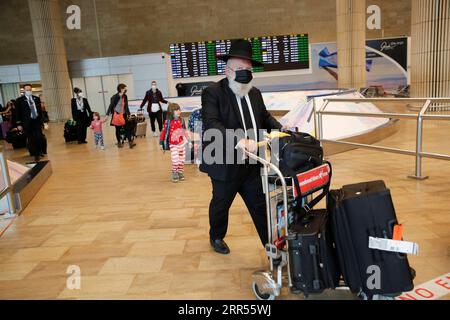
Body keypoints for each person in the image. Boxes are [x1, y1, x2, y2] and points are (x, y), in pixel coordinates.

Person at [200, 39, 284, 254]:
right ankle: (216, 236)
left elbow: (264, 117)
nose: (245, 72)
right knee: (221, 203)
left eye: (248, 69)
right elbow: (212, 124)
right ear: (227, 70)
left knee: (260, 206)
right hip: (225, 162)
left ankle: (272, 246)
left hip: (252, 163)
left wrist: (283, 129)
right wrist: (239, 140)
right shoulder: (213, 92)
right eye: (239, 69)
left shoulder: (254, 93)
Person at [14, 84, 47, 161]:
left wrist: (44, 121)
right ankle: (36, 154)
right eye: (27, 90)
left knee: (39, 137)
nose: (29, 91)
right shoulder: (19, 100)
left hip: (36, 121)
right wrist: (18, 124)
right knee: (31, 139)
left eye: (30, 89)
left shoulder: (36, 98)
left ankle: (40, 151)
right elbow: (17, 113)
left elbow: (40, 111)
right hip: (27, 123)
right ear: (24, 91)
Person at [159, 103, 190, 183]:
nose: (179, 111)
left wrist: (189, 141)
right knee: (175, 160)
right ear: (171, 112)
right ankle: (174, 172)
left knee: (181, 160)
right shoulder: (168, 122)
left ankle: (180, 172)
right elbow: (163, 132)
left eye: (179, 109)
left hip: (181, 144)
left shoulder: (182, 120)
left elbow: (185, 131)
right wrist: (161, 143)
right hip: (173, 144)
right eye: (176, 110)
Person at [106, 83, 136, 149]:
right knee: (118, 130)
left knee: (127, 128)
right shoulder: (114, 97)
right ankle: (119, 142)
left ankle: (130, 142)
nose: (126, 89)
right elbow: (111, 106)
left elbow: (126, 106)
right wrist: (107, 115)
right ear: (121, 89)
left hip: (124, 115)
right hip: (117, 115)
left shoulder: (125, 96)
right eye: (125, 88)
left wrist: (129, 115)